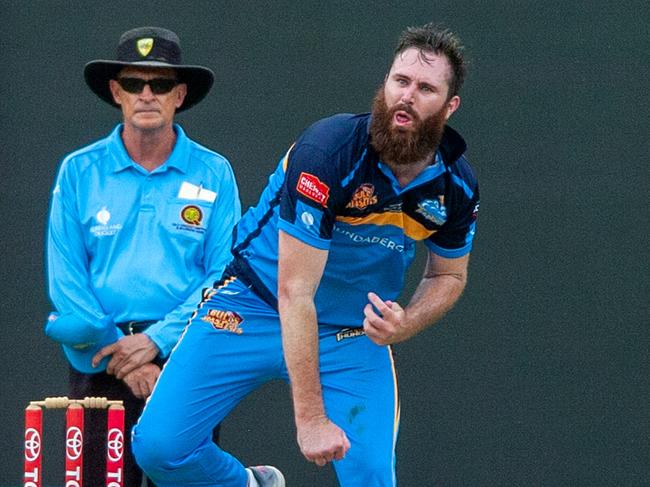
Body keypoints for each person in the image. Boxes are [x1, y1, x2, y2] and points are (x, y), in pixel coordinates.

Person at [133, 22, 480, 487]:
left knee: (372, 478)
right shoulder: (328, 150)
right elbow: (295, 291)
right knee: (159, 449)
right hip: (252, 305)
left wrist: (408, 321)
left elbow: (449, 277)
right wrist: (311, 420)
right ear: (385, 84)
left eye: (425, 88)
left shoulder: (456, 184)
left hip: (350, 332)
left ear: (449, 105)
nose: (407, 96)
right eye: (400, 81)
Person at [45, 26, 240, 487]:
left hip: (188, 359)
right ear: (116, 92)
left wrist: (158, 343)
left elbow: (225, 276)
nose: (146, 94)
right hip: (99, 361)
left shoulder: (214, 171)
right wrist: (123, 356)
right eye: (134, 83)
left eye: (160, 84)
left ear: (180, 94)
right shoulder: (79, 171)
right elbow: (66, 278)